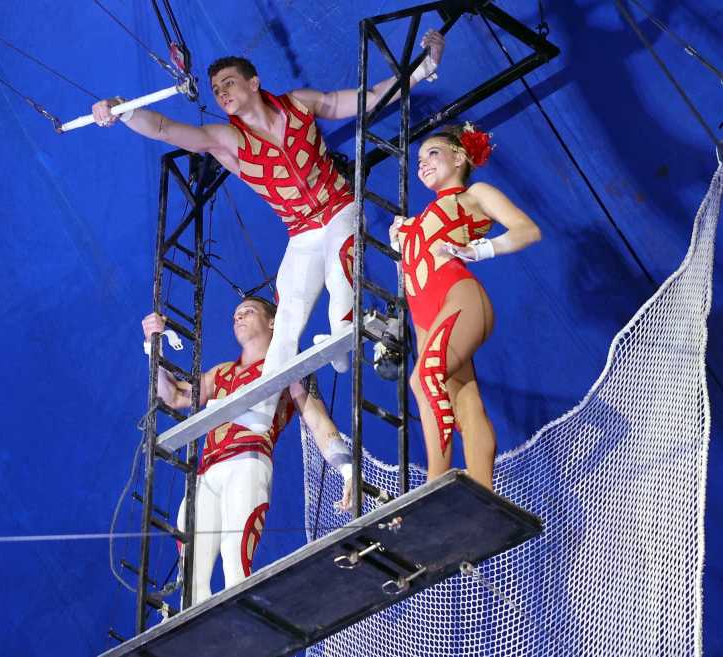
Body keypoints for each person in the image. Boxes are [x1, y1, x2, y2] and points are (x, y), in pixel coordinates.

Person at [98, 30, 446, 433]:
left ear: (254, 82)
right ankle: (261, 408)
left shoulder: (301, 103)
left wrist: (424, 68)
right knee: (287, 318)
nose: (221, 92)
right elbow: (163, 128)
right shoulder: (227, 139)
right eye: (215, 89)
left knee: (339, 275)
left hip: (339, 209)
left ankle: (343, 334)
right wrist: (122, 110)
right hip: (301, 231)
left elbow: (369, 98)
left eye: (229, 82)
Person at [142, 296, 352, 603]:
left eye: (248, 312)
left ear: (272, 321)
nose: (238, 318)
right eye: (235, 314)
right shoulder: (222, 373)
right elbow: (173, 396)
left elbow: (318, 421)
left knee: (234, 559)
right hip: (206, 473)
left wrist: (346, 469)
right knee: (191, 575)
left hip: (248, 461)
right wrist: (153, 347)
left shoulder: (290, 366)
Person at [388, 123, 541, 489]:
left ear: (459, 157)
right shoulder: (416, 221)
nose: (422, 163)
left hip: (460, 298)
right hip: (426, 315)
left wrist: (477, 250)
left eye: (433, 154)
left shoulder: (475, 194)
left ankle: (432, 487)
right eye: (419, 159)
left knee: (424, 380)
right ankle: (483, 490)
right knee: (465, 402)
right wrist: (400, 245)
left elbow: (527, 230)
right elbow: (411, 278)